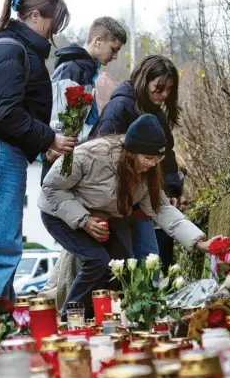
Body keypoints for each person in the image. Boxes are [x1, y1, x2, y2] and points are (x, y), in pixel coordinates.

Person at [39, 114, 220, 317]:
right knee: (96, 260)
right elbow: (51, 188)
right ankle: (69, 317)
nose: (152, 164)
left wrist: (199, 242)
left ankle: (99, 317)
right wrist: (84, 220)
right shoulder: (90, 156)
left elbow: (162, 210)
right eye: (148, 158)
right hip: (58, 212)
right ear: (131, 152)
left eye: (157, 159)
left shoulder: (146, 174)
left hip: (101, 217)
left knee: (120, 266)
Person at [0, 0, 74, 302]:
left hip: (2, 152)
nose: (54, 34)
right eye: (54, 24)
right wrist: (49, 137)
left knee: (4, 245)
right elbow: (2, 112)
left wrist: (44, 141)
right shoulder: (11, 49)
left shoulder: (15, 48)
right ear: (36, 16)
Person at [89, 55, 183, 261]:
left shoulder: (156, 113)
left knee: (150, 261)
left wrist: (171, 189)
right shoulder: (119, 108)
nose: (165, 94)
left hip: (142, 202)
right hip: (113, 204)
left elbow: (166, 155)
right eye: (159, 88)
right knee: (121, 263)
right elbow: (99, 157)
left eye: (169, 89)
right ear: (144, 81)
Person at [41, 16, 127, 183]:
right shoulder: (71, 70)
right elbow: (57, 119)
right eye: (114, 49)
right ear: (98, 41)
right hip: (60, 162)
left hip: (75, 158)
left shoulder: (86, 70)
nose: (115, 56)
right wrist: (53, 150)